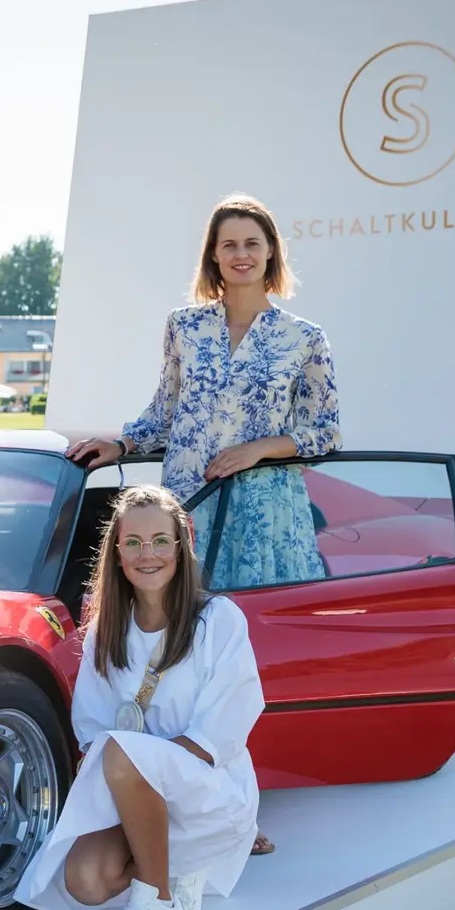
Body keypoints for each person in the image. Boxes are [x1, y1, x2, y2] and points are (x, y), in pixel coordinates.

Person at [66, 193, 340, 856]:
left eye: (252, 243)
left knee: (242, 667)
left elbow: (325, 431)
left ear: (271, 254)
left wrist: (259, 449)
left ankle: (236, 812)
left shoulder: (304, 338)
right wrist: (120, 444)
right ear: (213, 257)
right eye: (228, 244)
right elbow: (163, 413)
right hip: (191, 509)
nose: (241, 255)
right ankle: (166, 795)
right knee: (179, 656)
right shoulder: (183, 328)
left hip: (265, 516)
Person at [14, 485, 263, 910]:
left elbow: (223, 728)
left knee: (122, 751)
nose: (147, 554)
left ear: (181, 548)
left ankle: (158, 907)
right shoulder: (107, 631)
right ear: (117, 554)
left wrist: (147, 767)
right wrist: (134, 786)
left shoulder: (217, 619)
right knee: (86, 880)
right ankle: (178, 867)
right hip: (136, 796)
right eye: (133, 543)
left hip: (210, 791)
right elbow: (92, 730)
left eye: (160, 541)